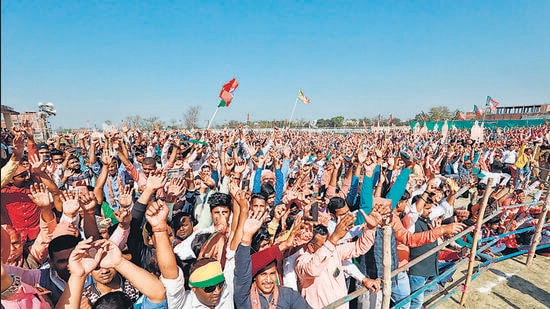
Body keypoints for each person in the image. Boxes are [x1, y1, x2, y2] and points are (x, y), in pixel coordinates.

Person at [294, 207, 385, 309]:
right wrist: (332, 240)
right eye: (323, 244)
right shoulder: (301, 260)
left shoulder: (334, 251)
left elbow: (359, 247)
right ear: (311, 246)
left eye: (327, 241)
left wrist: (370, 228)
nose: (327, 246)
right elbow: (312, 270)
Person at [234, 209, 312, 308]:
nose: (268, 280)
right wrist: (247, 237)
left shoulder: (288, 295)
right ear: (254, 276)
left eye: (272, 274)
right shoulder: (244, 297)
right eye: (263, 274)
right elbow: (243, 268)